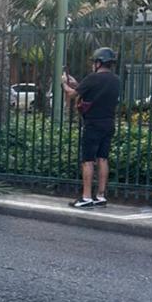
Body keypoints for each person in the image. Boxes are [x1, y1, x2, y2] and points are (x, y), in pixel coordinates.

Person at [61, 47, 120, 208]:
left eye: (94, 62)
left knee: (88, 160)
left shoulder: (93, 78)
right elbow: (94, 91)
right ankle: (100, 196)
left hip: (93, 124)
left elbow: (72, 94)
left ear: (99, 62)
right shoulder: (116, 80)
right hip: (109, 123)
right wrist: (78, 84)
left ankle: (86, 197)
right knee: (103, 158)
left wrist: (65, 84)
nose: (93, 65)